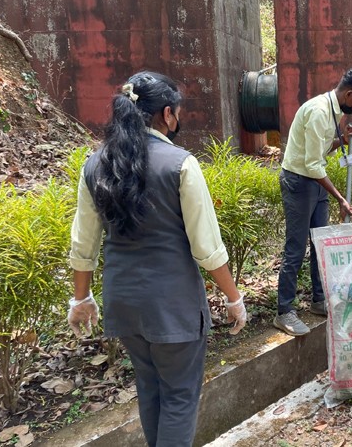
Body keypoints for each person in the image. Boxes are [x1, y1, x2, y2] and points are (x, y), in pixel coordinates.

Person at [67, 72, 247, 446]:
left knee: (149, 389)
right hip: (173, 307)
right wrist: (234, 298)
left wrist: (81, 298)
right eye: (177, 113)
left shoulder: (95, 165)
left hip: (125, 304)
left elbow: (83, 244)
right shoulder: (181, 164)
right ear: (167, 114)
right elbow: (207, 248)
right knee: (180, 396)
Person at [275, 66, 352, 337]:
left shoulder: (334, 111)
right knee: (295, 248)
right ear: (350, 92)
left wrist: (341, 141)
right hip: (300, 182)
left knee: (320, 244)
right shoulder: (320, 112)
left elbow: (318, 151)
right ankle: (284, 310)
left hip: (314, 181)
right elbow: (310, 164)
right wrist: (340, 197)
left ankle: (319, 300)